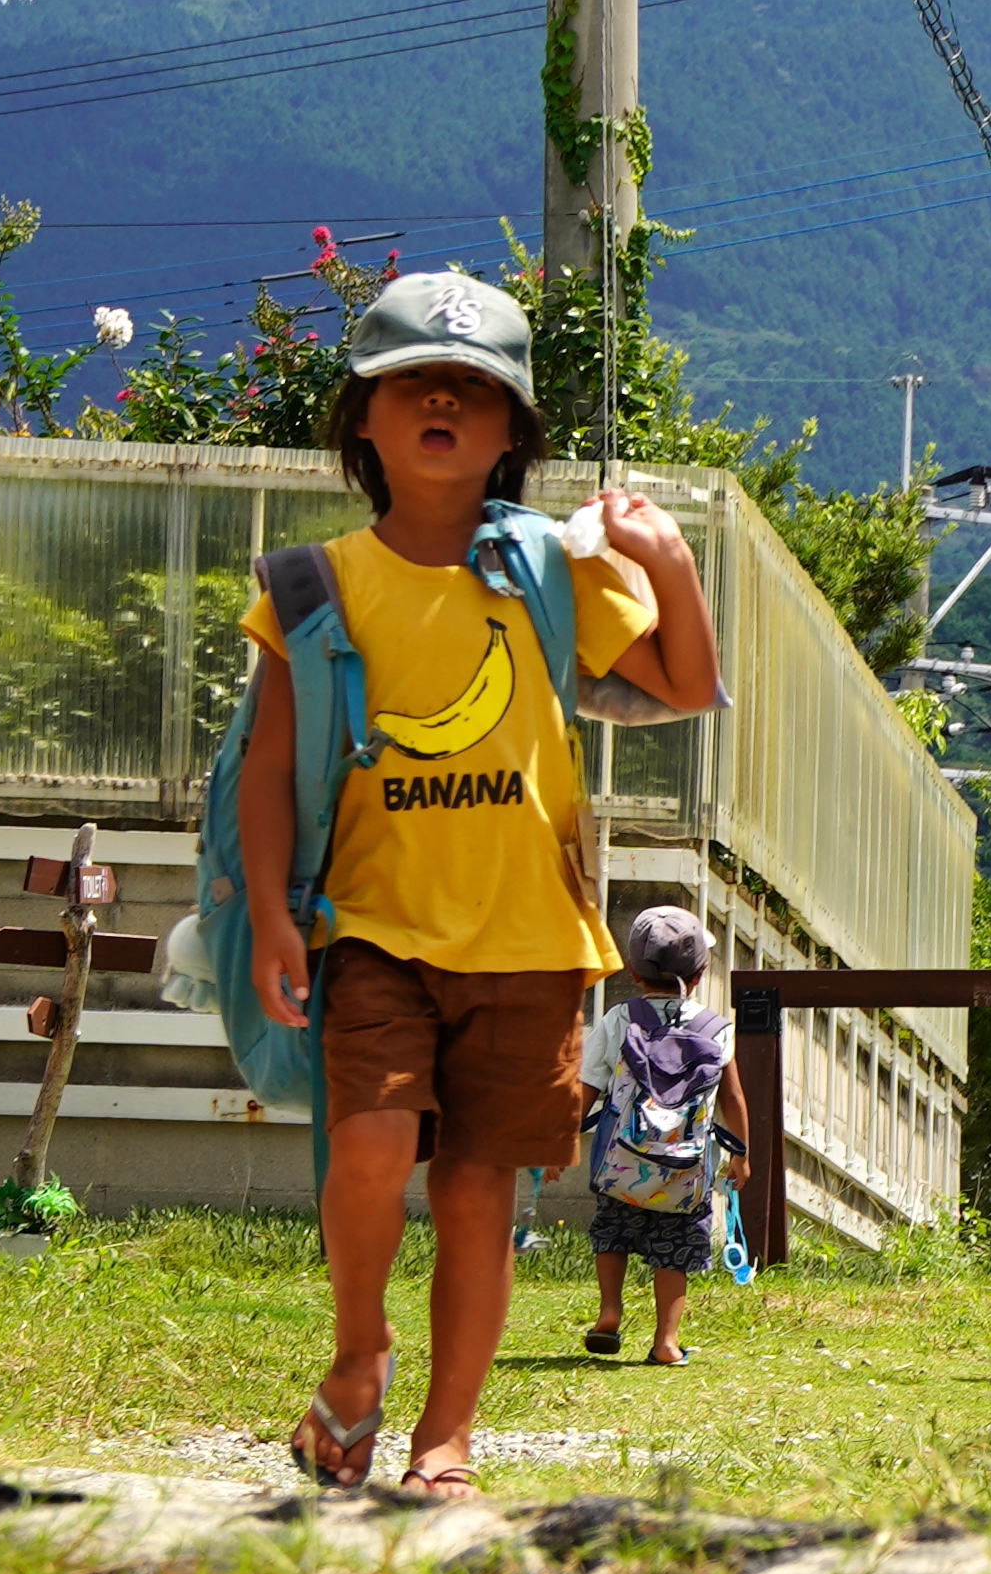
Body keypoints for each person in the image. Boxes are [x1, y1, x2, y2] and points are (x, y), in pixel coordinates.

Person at [250, 271, 727, 1500]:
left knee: (478, 1192)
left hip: (529, 942)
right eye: (416, 382)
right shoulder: (314, 583)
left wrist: (669, 562)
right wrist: (266, 914)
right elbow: (270, 761)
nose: (444, 402)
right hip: (373, 926)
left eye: (476, 389)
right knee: (364, 1151)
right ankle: (361, 1355)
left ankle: (444, 1437)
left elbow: (680, 682)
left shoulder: (549, 566)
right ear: (362, 417)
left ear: (514, 432)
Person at [580, 905, 750, 1369]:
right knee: (674, 1249)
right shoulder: (717, 1030)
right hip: (686, 1168)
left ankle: (610, 1311)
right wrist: (741, 1155)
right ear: (699, 974)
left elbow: (588, 1086)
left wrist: (559, 1141)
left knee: (612, 1232)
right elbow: (733, 1097)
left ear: (633, 971)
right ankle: (666, 1341)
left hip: (622, 1162)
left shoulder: (619, 1020)